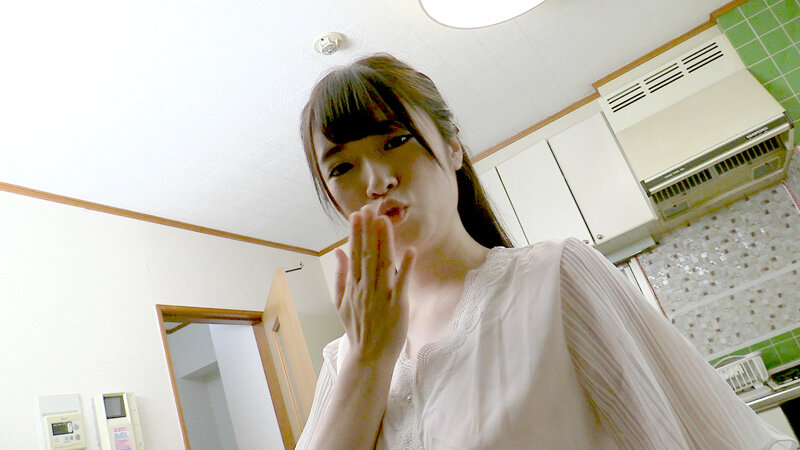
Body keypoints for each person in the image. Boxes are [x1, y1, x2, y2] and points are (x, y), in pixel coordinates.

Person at [296, 54, 797, 449]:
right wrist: (368, 359)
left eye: (396, 140)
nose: (376, 182)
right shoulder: (343, 359)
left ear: (453, 147)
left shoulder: (553, 276)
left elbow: (696, 438)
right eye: (341, 168)